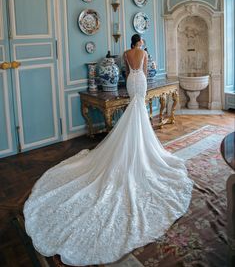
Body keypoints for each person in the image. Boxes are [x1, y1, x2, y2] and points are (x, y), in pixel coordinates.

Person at [24, 34, 193, 266]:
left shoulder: (125, 54)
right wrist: (140, 73)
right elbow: (143, 71)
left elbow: (126, 73)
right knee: (140, 111)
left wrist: (133, 76)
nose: (142, 44)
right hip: (140, 81)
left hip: (132, 83)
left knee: (133, 111)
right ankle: (139, 143)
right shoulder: (143, 54)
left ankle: (132, 140)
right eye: (142, 41)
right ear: (140, 42)